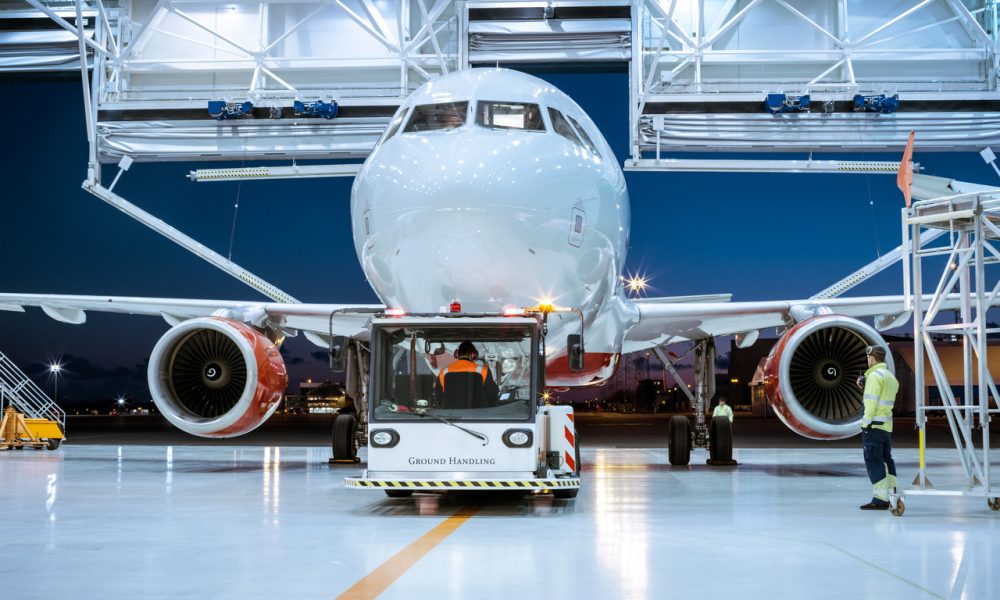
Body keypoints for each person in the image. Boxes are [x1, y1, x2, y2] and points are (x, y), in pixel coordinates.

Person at [857, 345, 899, 510]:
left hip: (873, 425)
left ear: (872, 358)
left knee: (873, 459)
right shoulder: (890, 377)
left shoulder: (874, 377)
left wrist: (865, 423)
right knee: (887, 460)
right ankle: (891, 494)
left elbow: (871, 403)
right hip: (886, 426)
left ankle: (880, 499)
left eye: (868, 358)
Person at [434, 341, 499, 408]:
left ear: (456, 354)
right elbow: (492, 395)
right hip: (478, 416)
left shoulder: (444, 372)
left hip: (450, 417)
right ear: (473, 354)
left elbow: (438, 396)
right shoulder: (483, 371)